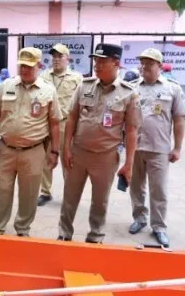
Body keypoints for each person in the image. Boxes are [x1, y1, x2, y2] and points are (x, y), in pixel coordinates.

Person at [57, 43, 141, 243]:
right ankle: (64, 234)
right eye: (96, 60)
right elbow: (72, 118)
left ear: (116, 63)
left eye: (103, 61)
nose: (97, 64)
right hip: (78, 153)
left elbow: (131, 130)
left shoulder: (128, 93)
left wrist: (129, 163)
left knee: (100, 201)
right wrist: (66, 148)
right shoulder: (84, 86)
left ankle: (95, 236)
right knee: (69, 197)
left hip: (106, 157)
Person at [0, 47, 62, 236]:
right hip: (5, 148)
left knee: (29, 194)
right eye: (21, 66)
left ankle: (22, 229)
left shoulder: (48, 90)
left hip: (34, 151)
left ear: (39, 65)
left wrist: (54, 151)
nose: (25, 70)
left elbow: (54, 123)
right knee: (1, 191)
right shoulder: (6, 85)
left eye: (29, 66)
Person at [128, 48, 185, 247]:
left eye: (149, 63)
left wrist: (178, 148)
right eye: (142, 63)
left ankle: (159, 227)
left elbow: (179, 121)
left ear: (160, 66)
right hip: (135, 148)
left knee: (159, 190)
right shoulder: (131, 87)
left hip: (159, 149)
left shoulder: (173, 89)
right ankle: (139, 218)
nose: (144, 66)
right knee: (136, 187)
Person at [37, 44, 83, 207]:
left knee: (67, 159)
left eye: (60, 56)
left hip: (65, 124)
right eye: (54, 56)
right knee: (45, 158)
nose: (56, 60)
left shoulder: (77, 78)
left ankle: (69, 194)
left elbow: (81, 103)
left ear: (67, 58)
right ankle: (45, 192)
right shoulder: (43, 76)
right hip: (46, 123)